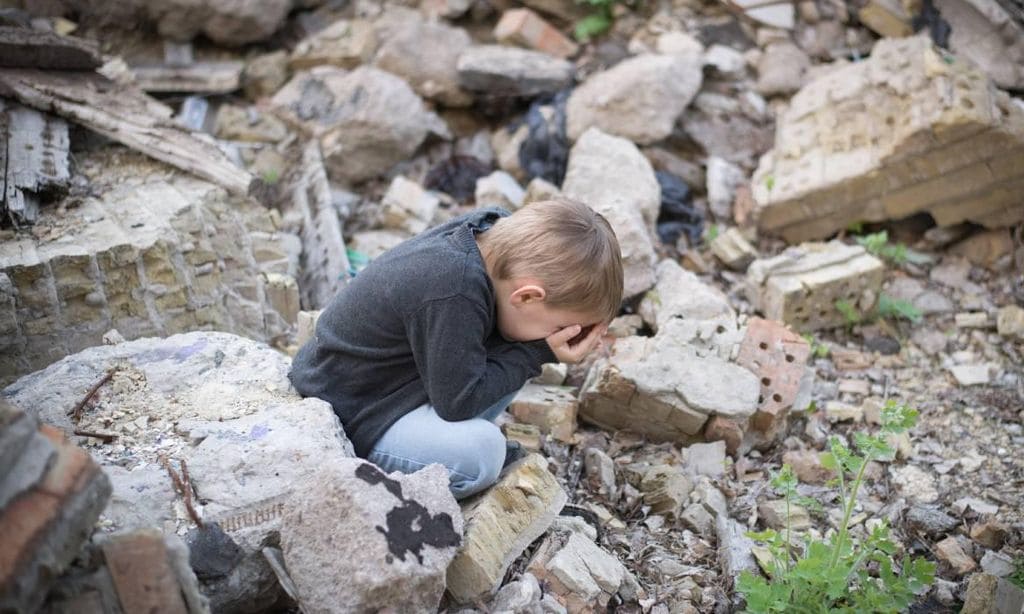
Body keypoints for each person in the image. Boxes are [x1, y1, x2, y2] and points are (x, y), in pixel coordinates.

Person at [288, 197, 624, 499]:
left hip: (396, 386)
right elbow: (458, 405)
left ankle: (429, 440)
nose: (563, 335)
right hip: (351, 411)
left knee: (521, 344)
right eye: (560, 326)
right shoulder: (455, 290)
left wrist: (537, 345)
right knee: (483, 453)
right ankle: (381, 475)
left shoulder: (493, 238)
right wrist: (537, 353)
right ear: (526, 296)